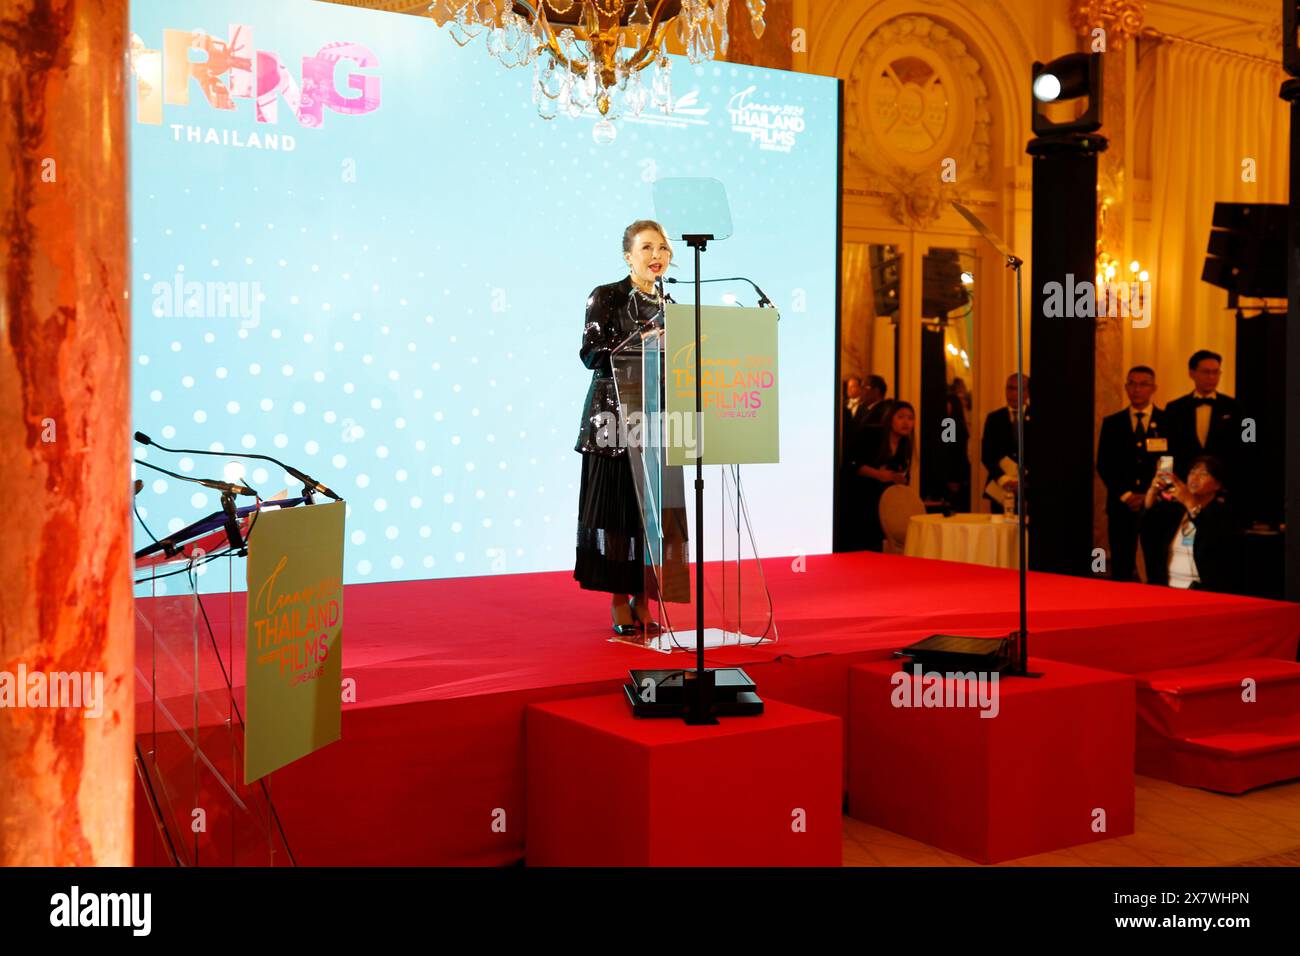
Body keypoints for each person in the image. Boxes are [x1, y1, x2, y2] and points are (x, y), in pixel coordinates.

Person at [574, 219, 675, 636]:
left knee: (650, 519)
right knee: (617, 515)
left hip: (658, 420)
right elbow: (591, 354)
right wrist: (643, 340)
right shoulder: (607, 296)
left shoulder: (671, 304)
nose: (657, 256)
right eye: (647, 248)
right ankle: (619, 599)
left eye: (663, 248)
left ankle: (644, 599)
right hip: (613, 421)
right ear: (628, 256)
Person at [1096, 366, 1166, 582]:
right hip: (1121, 504)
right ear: (1126, 387)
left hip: (1156, 504)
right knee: (1121, 563)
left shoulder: (1167, 421)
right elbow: (1104, 464)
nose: (1137, 389)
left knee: (1156, 561)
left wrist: (1148, 495)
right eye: (1132, 384)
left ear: (1153, 388)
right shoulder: (1112, 423)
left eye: (1143, 384)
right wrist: (1126, 494)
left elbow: (1170, 463)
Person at [1139, 454, 1240, 592]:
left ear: (1217, 485)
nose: (1195, 477)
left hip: (1202, 591)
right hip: (1165, 588)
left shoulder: (1224, 514)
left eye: (1204, 473)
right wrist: (1152, 492)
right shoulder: (1175, 510)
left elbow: (1215, 543)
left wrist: (1190, 503)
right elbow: (1147, 528)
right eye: (1192, 472)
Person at [1162, 350, 1242, 483]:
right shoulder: (1174, 408)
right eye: (1206, 372)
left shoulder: (1235, 407)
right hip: (1184, 482)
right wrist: (1166, 482)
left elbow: (1246, 444)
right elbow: (1166, 450)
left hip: (1224, 482)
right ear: (1191, 373)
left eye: (1216, 372)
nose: (1211, 377)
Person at [848, 400, 915, 552]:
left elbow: (902, 475)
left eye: (910, 418)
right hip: (861, 501)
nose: (906, 422)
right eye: (901, 417)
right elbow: (851, 464)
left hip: (886, 505)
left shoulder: (905, 445)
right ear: (890, 418)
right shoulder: (871, 435)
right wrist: (879, 474)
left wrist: (900, 479)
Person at [981, 374, 1030, 513]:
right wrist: (1004, 479)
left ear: (1028, 392)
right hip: (1000, 488)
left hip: (1028, 489)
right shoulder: (994, 418)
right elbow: (987, 455)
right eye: (1010, 388)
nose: (1013, 393)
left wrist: (1022, 482)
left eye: (1019, 389)